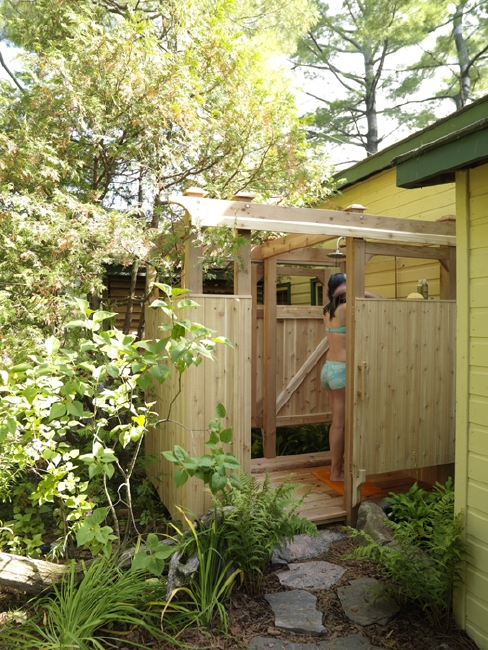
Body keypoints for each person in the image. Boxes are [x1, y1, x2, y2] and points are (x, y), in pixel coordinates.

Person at [321, 274, 380, 481]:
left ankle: (338, 468)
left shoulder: (328, 310)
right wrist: (361, 292)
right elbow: (380, 301)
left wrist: (340, 292)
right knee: (340, 424)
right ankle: (336, 472)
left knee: (336, 423)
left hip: (328, 369)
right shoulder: (346, 308)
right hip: (341, 371)